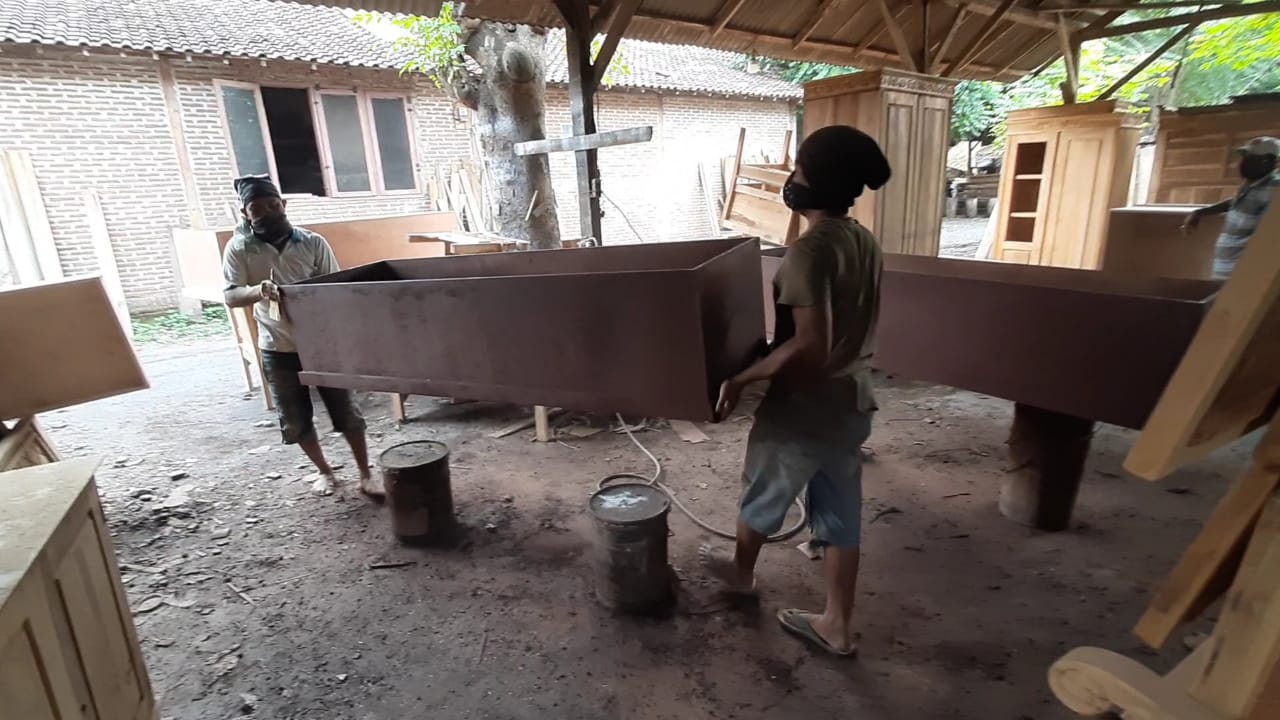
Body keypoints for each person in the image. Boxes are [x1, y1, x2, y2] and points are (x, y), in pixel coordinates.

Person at [702, 125, 890, 657]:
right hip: (852, 400)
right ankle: (837, 623)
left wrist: (742, 378)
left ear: (817, 181)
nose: (793, 178)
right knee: (838, 510)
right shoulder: (862, 240)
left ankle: (741, 575)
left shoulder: (809, 252)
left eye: (801, 170)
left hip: (805, 405)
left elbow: (809, 345)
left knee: (763, 492)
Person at [222, 175, 383, 499]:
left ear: (285, 205)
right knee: (294, 419)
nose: (268, 212)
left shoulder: (312, 243)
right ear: (245, 214)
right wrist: (258, 290)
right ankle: (325, 472)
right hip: (277, 346)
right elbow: (230, 295)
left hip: (322, 342)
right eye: (257, 209)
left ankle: (366, 475)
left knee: (346, 411)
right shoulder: (239, 249)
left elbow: (335, 286)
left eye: (273, 205)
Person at [1183, 136, 1280, 279]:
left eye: (1250, 157)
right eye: (1244, 157)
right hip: (1226, 267)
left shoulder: (1275, 188)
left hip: (1244, 274)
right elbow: (1237, 202)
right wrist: (1201, 212)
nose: (1243, 162)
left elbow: (1268, 236)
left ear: (1268, 161)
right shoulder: (1252, 184)